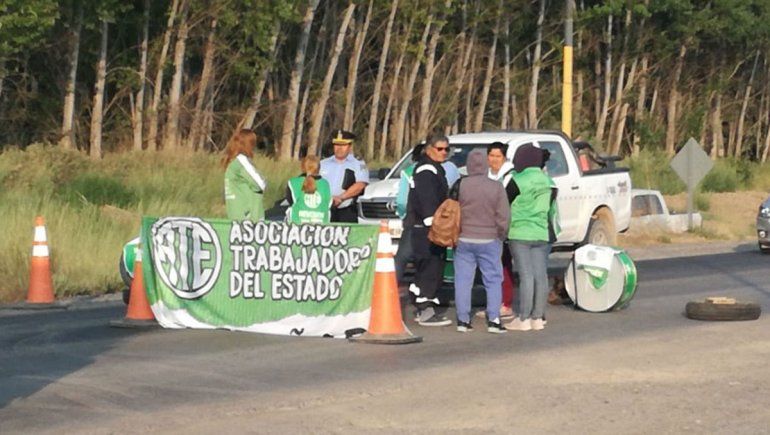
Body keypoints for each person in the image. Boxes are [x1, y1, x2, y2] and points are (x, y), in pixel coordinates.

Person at [454, 149, 510, 334]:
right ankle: (493, 319)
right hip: (490, 238)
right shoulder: (496, 187)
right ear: (486, 165)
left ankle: (463, 320)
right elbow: (503, 216)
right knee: (493, 280)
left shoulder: (460, 185)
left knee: (463, 280)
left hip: (464, 238)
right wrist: (501, 235)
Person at [505, 144, 560, 332]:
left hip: (520, 232)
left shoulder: (517, 180)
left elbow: (505, 204)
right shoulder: (549, 182)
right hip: (542, 232)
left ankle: (524, 318)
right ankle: (538, 317)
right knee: (540, 275)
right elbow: (552, 209)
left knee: (526, 275)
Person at [394, 143, 461, 285]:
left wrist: (404, 214)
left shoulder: (409, 172)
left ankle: (392, 289)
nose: (443, 152)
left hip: (416, 222)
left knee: (403, 258)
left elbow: (401, 201)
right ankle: (429, 291)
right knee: (434, 259)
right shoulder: (450, 169)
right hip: (443, 222)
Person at [406, 135, 452, 326]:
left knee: (432, 266)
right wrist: (434, 225)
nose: (443, 153)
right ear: (429, 149)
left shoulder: (435, 169)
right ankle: (425, 310)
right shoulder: (426, 170)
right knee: (429, 268)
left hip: (428, 227)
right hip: (426, 228)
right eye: (439, 149)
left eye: (446, 149)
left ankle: (424, 306)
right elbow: (427, 200)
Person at [486, 142, 517, 319]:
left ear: (504, 157)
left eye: (498, 156)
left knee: (504, 265)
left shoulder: (509, 177)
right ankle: (494, 303)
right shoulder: (487, 175)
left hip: (504, 228)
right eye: (491, 156)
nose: (494, 160)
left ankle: (506, 303)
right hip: (487, 228)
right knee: (491, 267)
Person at [319, 130, 369, 223]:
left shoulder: (358, 164)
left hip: (346, 210)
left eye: (343, 145)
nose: (339, 148)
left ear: (349, 146)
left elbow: (360, 185)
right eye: (337, 145)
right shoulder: (322, 164)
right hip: (323, 209)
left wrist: (341, 198)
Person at [222, 129, 267, 221]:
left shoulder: (232, 162)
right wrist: (264, 180)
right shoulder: (242, 161)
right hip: (249, 217)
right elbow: (260, 184)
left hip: (235, 214)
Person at [285, 156, 332, 224]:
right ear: (319, 168)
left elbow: (290, 201)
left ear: (302, 168)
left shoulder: (293, 183)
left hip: (297, 227)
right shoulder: (325, 184)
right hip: (321, 229)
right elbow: (328, 204)